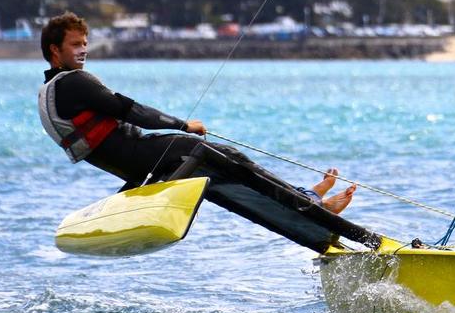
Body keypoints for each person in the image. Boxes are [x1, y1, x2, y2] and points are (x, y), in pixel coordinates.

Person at [38, 12, 355, 213]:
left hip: (132, 166)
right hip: (141, 158)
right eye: (76, 43)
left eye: (85, 42)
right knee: (228, 158)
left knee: (226, 174)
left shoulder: (49, 91)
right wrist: (183, 125)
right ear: (55, 50)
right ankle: (308, 202)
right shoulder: (74, 84)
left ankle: (304, 197)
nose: (84, 49)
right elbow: (131, 110)